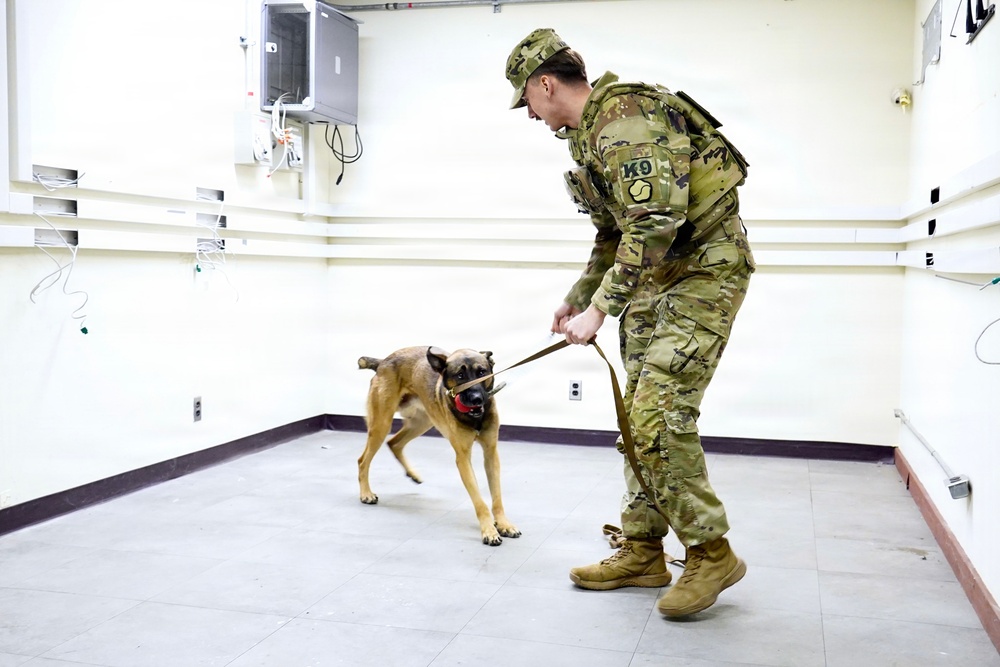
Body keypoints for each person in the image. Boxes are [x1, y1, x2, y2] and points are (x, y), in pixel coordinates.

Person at [505, 28, 755, 617]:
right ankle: (643, 550)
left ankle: (712, 553)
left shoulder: (626, 116)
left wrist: (599, 310)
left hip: (703, 275)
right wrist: (581, 293)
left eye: (528, 101)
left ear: (545, 84)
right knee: (635, 418)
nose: (531, 115)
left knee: (657, 417)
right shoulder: (589, 139)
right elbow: (614, 232)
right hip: (652, 280)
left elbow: (655, 222)